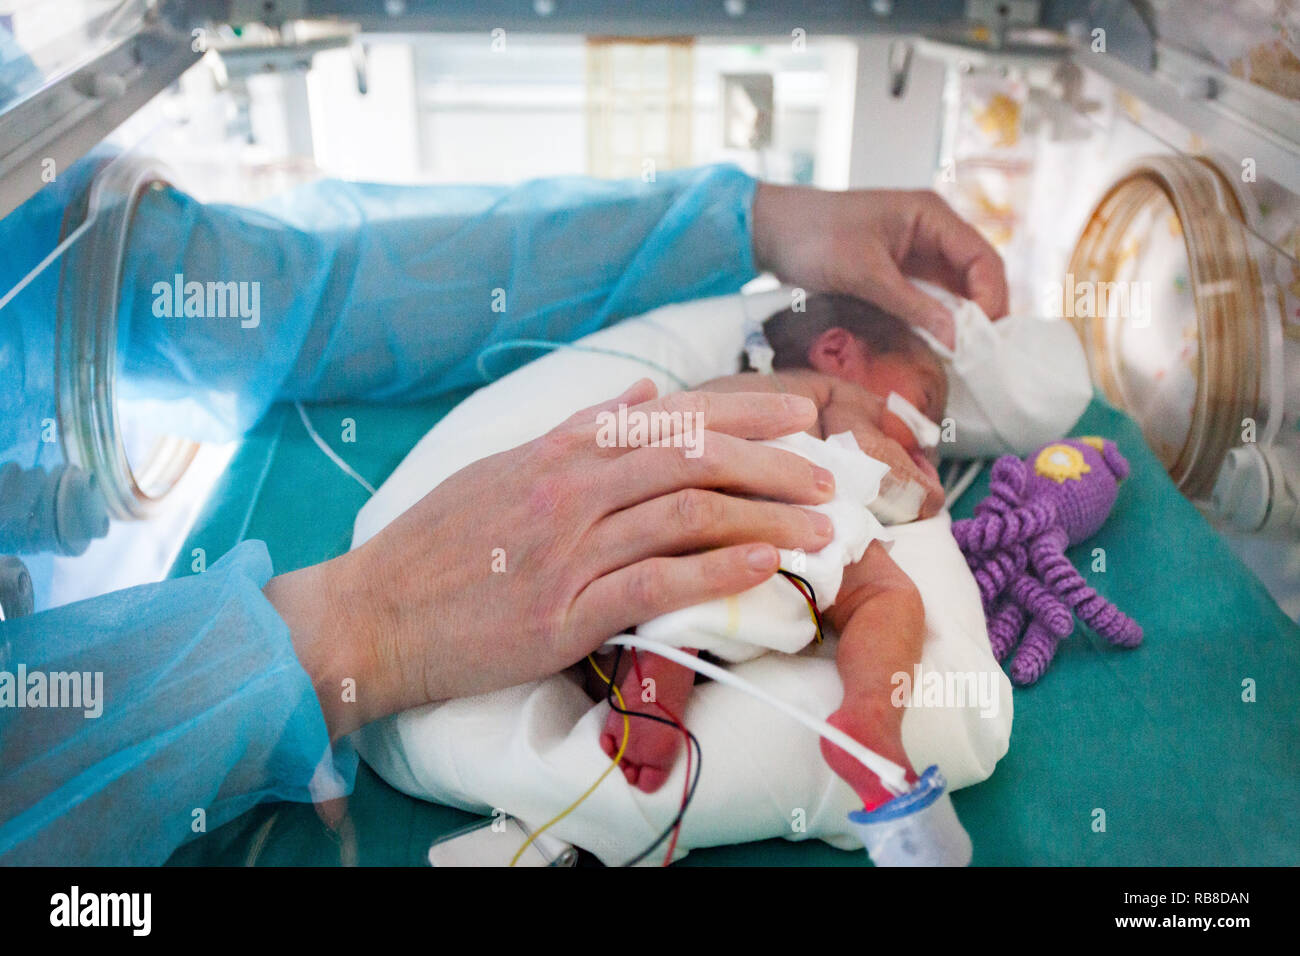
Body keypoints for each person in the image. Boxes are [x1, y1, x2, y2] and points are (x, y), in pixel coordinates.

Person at [0, 156, 1006, 863]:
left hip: (822, 539)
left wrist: (757, 221)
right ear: (833, 355)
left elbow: (280, 289)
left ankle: (867, 713)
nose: (924, 442)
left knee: (883, 601)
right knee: (650, 585)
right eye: (918, 412)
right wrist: (360, 626)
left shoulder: (43, 210)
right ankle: (649, 699)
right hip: (720, 509)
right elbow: (654, 434)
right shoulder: (751, 393)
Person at [596, 293, 948, 801]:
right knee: (887, 596)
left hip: (679, 494)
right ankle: (870, 714)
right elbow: (881, 469)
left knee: (676, 569)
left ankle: (663, 658)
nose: (929, 440)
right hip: (784, 484)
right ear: (836, 352)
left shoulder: (709, 393)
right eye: (926, 403)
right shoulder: (832, 393)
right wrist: (926, 488)